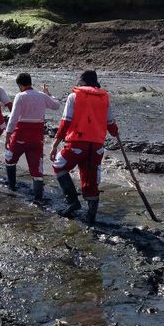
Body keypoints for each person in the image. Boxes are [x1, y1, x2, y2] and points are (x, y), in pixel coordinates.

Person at [49, 70, 119, 223]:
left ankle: (73, 202)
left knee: (59, 166)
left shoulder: (74, 96)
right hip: (97, 146)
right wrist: (115, 133)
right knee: (90, 178)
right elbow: (111, 124)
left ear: (82, 81)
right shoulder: (104, 97)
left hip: (77, 143)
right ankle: (91, 216)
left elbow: (65, 122)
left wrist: (55, 144)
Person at [4, 73, 60, 202]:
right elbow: (56, 106)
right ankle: (38, 198)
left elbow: (13, 118)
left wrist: (8, 135)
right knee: (36, 168)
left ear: (19, 85)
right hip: (37, 136)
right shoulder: (42, 95)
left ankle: (11, 188)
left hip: (21, 134)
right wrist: (48, 93)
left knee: (10, 160)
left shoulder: (20, 96)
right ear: (30, 82)